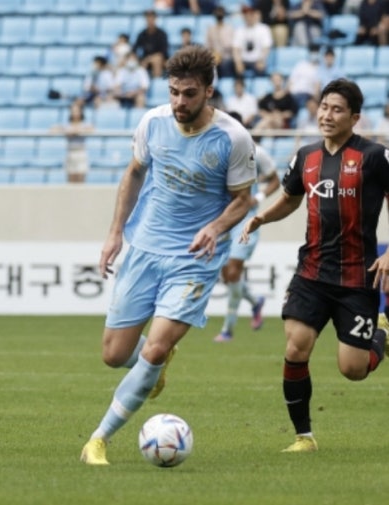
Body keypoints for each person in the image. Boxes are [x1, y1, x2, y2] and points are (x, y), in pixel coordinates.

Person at [79, 46, 256, 465]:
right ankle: (152, 368)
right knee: (114, 355)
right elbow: (134, 173)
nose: (179, 102)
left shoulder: (232, 138)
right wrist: (114, 233)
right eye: (174, 92)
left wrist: (213, 228)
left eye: (189, 94)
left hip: (193, 258)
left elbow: (242, 200)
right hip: (144, 248)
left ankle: (98, 440)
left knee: (153, 350)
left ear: (208, 92)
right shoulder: (152, 122)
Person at [241, 78, 389, 452]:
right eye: (324, 107)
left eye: (337, 109)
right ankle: (303, 436)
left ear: (355, 118)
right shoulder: (305, 156)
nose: (326, 115)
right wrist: (262, 217)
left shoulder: (374, 156)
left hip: (358, 276)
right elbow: (291, 198)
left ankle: (382, 333)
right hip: (312, 272)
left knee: (353, 370)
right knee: (296, 347)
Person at [214, 112, 281, 342]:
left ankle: (228, 329)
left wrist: (259, 197)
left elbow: (275, 179)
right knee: (226, 273)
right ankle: (255, 300)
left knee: (233, 270)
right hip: (223, 219)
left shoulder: (256, 151)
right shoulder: (216, 152)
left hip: (246, 219)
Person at [50, 102, 94, 184]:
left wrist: (75, 131)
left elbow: (91, 129)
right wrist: (66, 130)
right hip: (71, 153)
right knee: (71, 180)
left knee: (81, 179)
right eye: (73, 111)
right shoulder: (67, 125)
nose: (75, 113)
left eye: (76, 111)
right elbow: (53, 130)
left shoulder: (84, 125)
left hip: (81, 153)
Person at [132, 10, 169, 78]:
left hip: (160, 59)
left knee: (157, 60)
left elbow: (162, 53)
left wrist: (148, 59)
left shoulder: (162, 34)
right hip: (145, 60)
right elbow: (134, 50)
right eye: (148, 18)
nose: (150, 21)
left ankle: (156, 83)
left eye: (152, 18)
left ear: (155, 19)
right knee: (132, 61)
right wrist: (137, 59)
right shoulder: (142, 34)